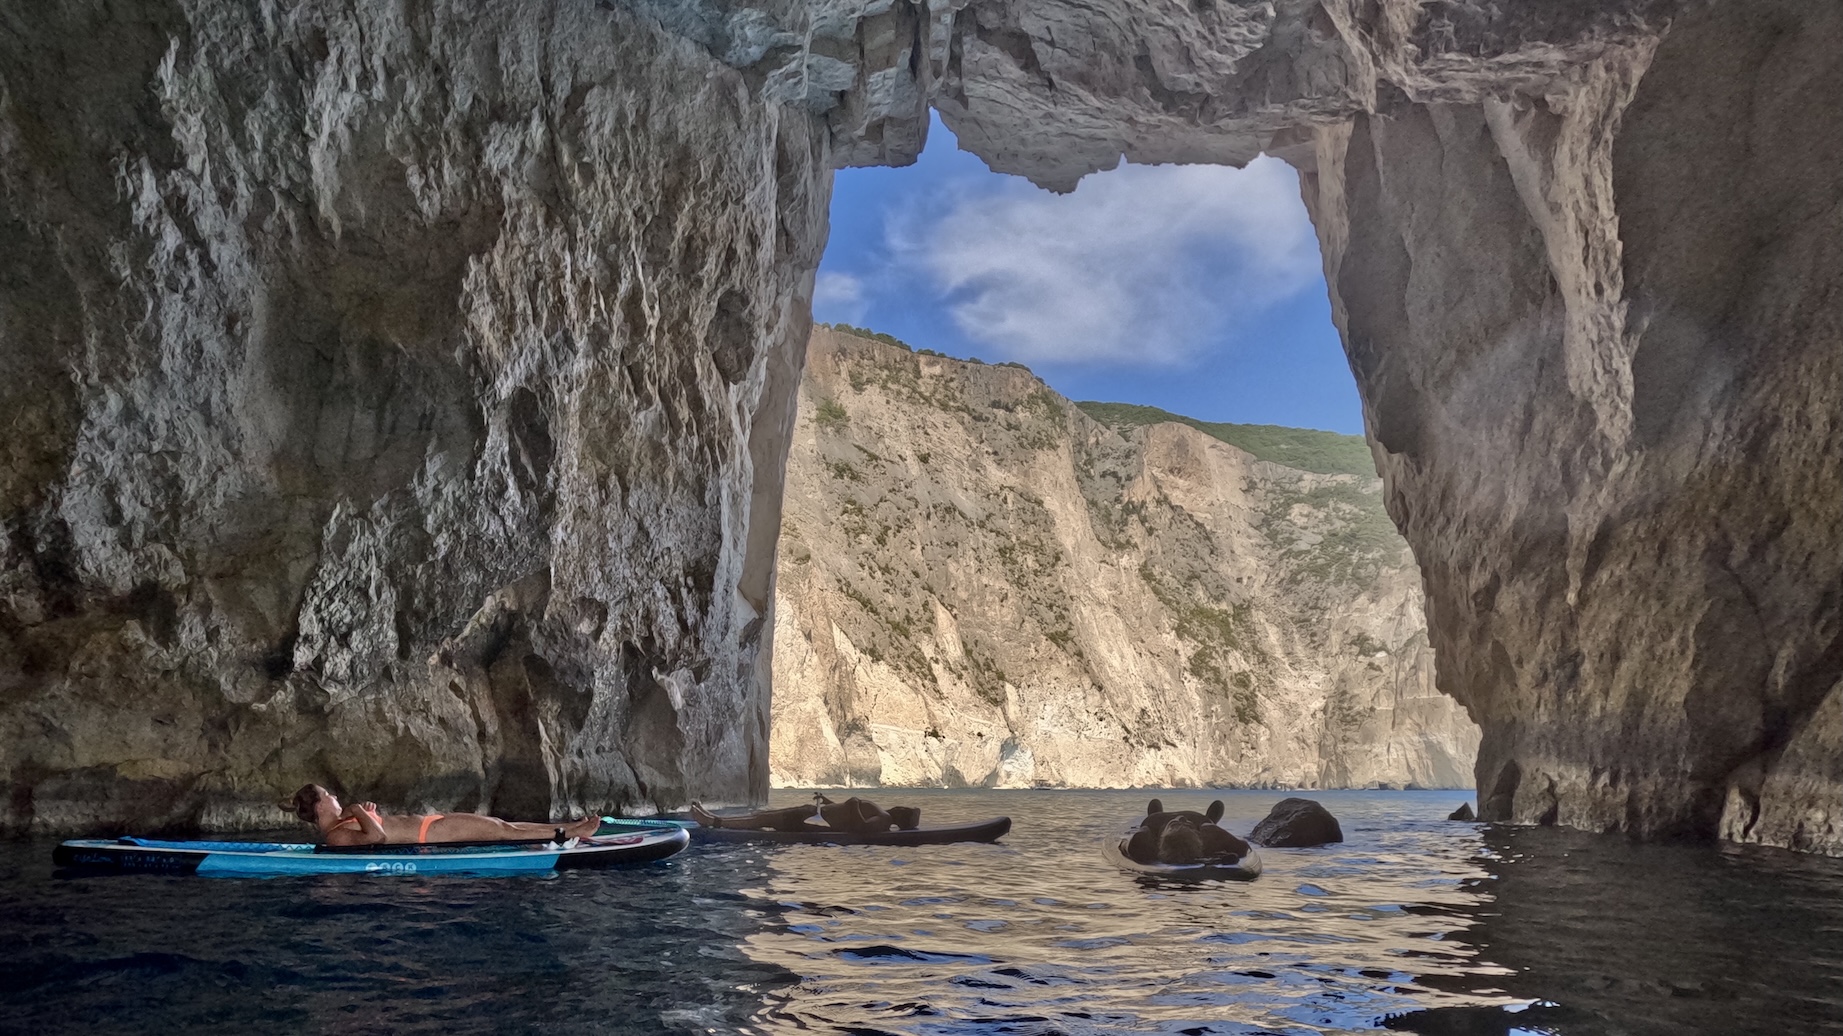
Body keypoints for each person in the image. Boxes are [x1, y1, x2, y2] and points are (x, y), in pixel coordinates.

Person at [283, 784, 601, 847]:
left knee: (506, 825)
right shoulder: (335, 835)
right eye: (330, 795)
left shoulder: (340, 825)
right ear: (321, 806)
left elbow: (376, 829)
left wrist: (368, 814)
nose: (336, 797)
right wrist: (356, 811)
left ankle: (571, 827)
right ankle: (570, 834)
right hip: (431, 835)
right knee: (504, 829)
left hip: (432, 823)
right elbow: (378, 838)